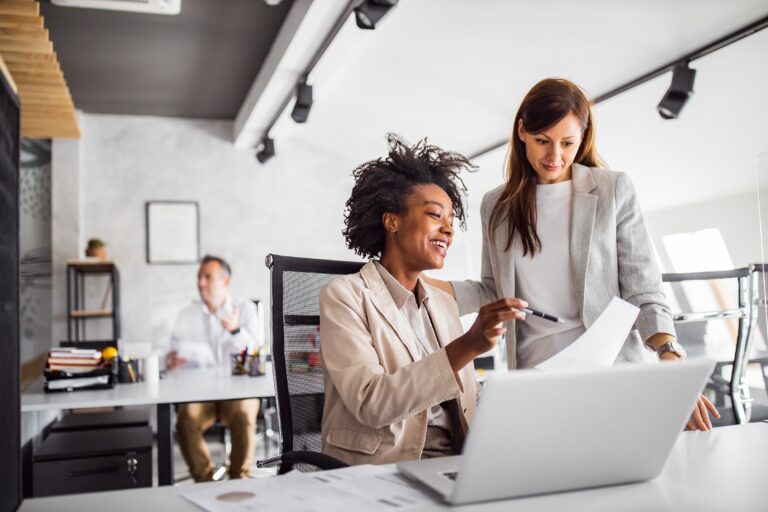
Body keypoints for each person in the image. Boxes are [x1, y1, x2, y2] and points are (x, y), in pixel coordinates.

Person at [425, 78, 719, 431]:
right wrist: (419, 285)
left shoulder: (612, 190)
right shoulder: (497, 205)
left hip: (609, 378)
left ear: (583, 137)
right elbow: (493, 290)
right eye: (542, 141)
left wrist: (669, 353)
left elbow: (643, 289)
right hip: (535, 381)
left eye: (567, 143)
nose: (555, 156)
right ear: (522, 131)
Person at [319, 135, 525, 466]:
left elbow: (461, 396)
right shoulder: (344, 297)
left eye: (451, 221)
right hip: (387, 467)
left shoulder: (442, 302)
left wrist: (521, 400)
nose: (449, 230)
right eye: (435, 215)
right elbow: (372, 402)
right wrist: (468, 345)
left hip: (457, 460)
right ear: (392, 221)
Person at [165, 255, 264, 481]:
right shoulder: (186, 315)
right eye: (199, 277)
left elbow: (256, 353)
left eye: (207, 277)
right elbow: (172, 352)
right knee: (185, 419)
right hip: (200, 394)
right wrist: (170, 361)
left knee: (244, 412)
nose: (200, 283)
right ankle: (205, 481)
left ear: (225, 281)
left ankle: (239, 478)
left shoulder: (246, 310)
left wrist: (236, 330)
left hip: (238, 391)